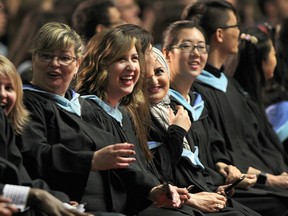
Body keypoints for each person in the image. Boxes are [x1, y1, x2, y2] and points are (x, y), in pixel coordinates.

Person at [17, 22, 136, 215]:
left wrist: (153, 191)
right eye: (46, 55)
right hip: (64, 205)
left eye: (64, 58)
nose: (54, 63)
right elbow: (35, 153)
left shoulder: (88, 106)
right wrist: (90, 160)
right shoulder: (27, 103)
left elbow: (123, 160)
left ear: (77, 64)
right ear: (33, 58)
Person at [181, 1, 288, 214]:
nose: (239, 33)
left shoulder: (231, 85)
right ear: (220, 34)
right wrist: (268, 179)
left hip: (258, 178)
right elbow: (220, 155)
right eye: (235, 26)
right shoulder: (199, 92)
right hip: (235, 185)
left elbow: (253, 143)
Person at [75, 27, 194, 216]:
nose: (132, 67)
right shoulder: (88, 110)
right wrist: (156, 190)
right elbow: (124, 172)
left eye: (134, 58)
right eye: (121, 59)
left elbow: (146, 169)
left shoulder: (123, 113)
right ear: (101, 64)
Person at [152, 20, 260, 215]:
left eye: (201, 47)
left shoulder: (198, 102)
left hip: (210, 185)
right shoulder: (161, 106)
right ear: (167, 53)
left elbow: (213, 147)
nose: (196, 53)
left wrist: (223, 166)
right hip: (186, 194)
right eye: (186, 46)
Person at [0, 55, 93, 216]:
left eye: (9, 88)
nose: (3, 95)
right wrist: (37, 196)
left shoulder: (6, 128)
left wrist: (58, 199)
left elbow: (21, 179)